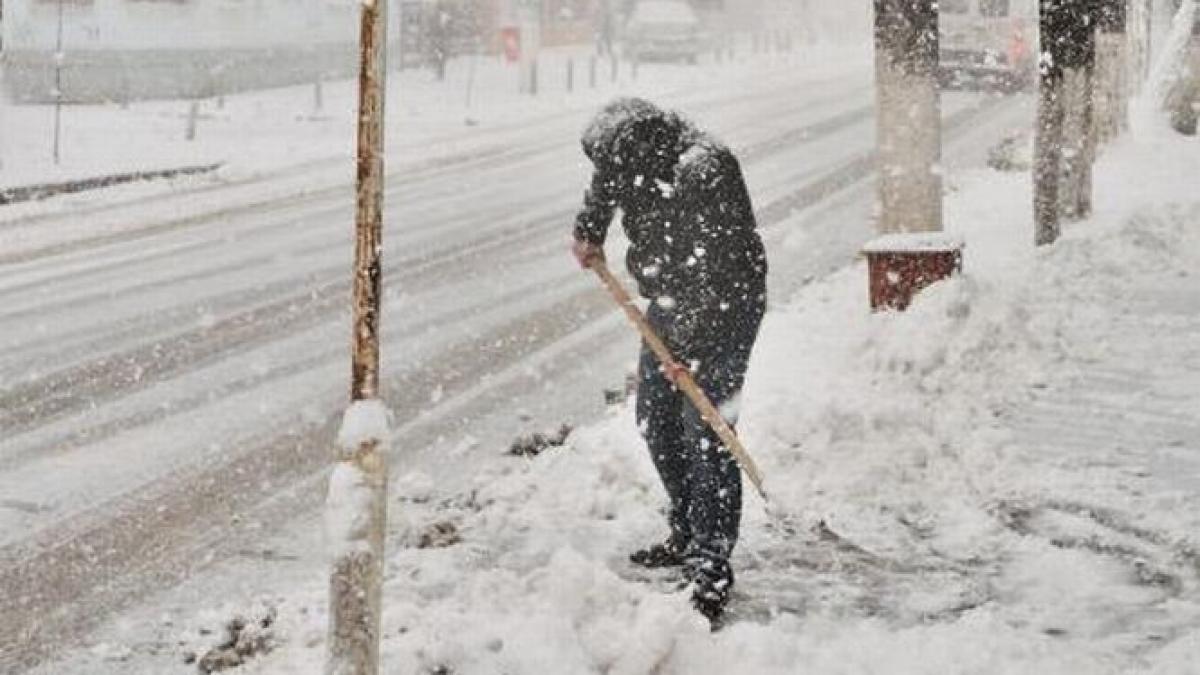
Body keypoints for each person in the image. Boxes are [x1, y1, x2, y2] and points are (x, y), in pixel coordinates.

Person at [570, 97, 767, 621]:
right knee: (656, 420)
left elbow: (717, 262)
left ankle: (711, 564)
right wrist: (589, 230)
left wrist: (690, 349)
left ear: (646, 152)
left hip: (727, 304)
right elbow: (604, 187)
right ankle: (686, 528)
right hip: (672, 303)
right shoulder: (628, 162)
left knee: (706, 431)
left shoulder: (706, 168)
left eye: (617, 166)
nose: (611, 176)